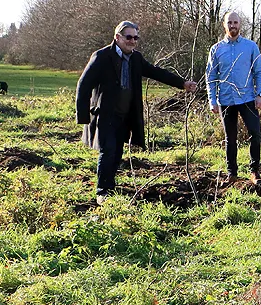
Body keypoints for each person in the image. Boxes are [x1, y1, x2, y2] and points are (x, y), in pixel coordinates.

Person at [76, 21, 197, 204]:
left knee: (117, 152)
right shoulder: (101, 57)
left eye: (135, 38)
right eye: (128, 37)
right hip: (105, 115)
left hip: (124, 116)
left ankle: (111, 186)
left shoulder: (136, 59)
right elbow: (83, 85)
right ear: (117, 38)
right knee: (107, 151)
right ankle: (102, 191)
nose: (132, 41)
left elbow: (157, 73)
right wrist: (84, 116)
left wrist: (182, 83)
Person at [206, 11, 261, 185]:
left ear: (240, 24)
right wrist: (212, 100)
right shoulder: (216, 49)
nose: (232, 25)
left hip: (247, 99)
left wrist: (259, 94)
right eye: (229, 23)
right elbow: (211, 76)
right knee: (230, 138)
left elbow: (259, 71)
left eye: (235, 22)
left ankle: (254, 171)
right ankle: (232, 174)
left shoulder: (250, 47)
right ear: (224, 25)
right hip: (225, 100)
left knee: (255, 134)